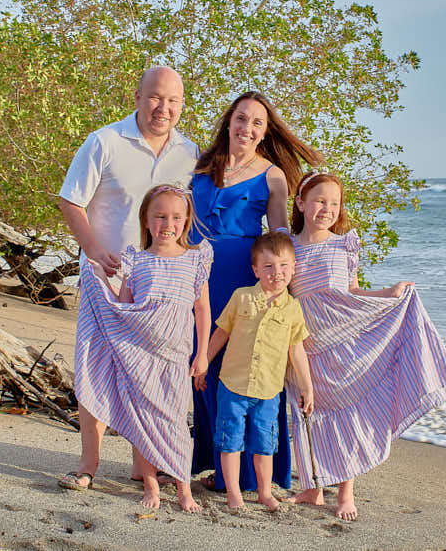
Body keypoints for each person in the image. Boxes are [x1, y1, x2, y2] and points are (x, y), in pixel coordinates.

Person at [284, 171, 446, 520]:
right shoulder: (287, 244)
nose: (328, 209)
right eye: (320, 200)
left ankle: (346, 492)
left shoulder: (345, 243)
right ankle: (312, 487)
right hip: (305, 342)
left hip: (345, 341)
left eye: (335, 203)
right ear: (301, 203)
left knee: (348, 412)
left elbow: (352, 291)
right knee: (308, 412)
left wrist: (389, 293)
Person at [58, 66, 199, 490]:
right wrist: (94, 251)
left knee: (151, 374)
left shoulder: (189, 153)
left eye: (173, 101)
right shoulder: (104, 141)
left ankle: (147, 463)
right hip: (106, 279)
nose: (164, 108)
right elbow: (70, 201)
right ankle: (88, 463)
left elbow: (188, 219)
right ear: (137, 97)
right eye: (156, 97)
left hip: (157, 287)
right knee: (96, 369)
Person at [188, 91, 323, 492]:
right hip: (197, 275)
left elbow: (280, 235)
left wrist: (293, 285)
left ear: (265, 132)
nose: (247, 128)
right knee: (204, 367)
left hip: (241, 278)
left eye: (257, 123)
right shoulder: (200, 165)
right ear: (229, 121)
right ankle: (217, 465)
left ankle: (253, 474)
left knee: (244, 369)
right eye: (242, 119)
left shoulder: (273, 175)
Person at [73, 184, 211, 512]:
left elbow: (202, 309)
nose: (168, 224)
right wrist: (98, 283)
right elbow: (123, 311)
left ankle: (183, 488)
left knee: (176, 420)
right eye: (160, 216)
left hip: (175, 355)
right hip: (140, 357)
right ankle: (150, 485)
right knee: (143, 420)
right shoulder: (137, 260)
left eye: (176, 217)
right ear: (146, 221)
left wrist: (202, 353)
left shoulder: (195, 259)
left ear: (186, 221)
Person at [195, 232, 314, 510]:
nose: (277, 273)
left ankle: (264, 492)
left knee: (264, 444)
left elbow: (296, 350)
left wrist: (307, 386)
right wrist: (203, 362)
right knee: (230, 441)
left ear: (294, 268)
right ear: (256, 270)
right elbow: (220, 333)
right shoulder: (242, 297)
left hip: (269, 390)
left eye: (284, 266)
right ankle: (234, 492)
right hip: (232, 386)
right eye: (269, 267)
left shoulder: (293, 309)